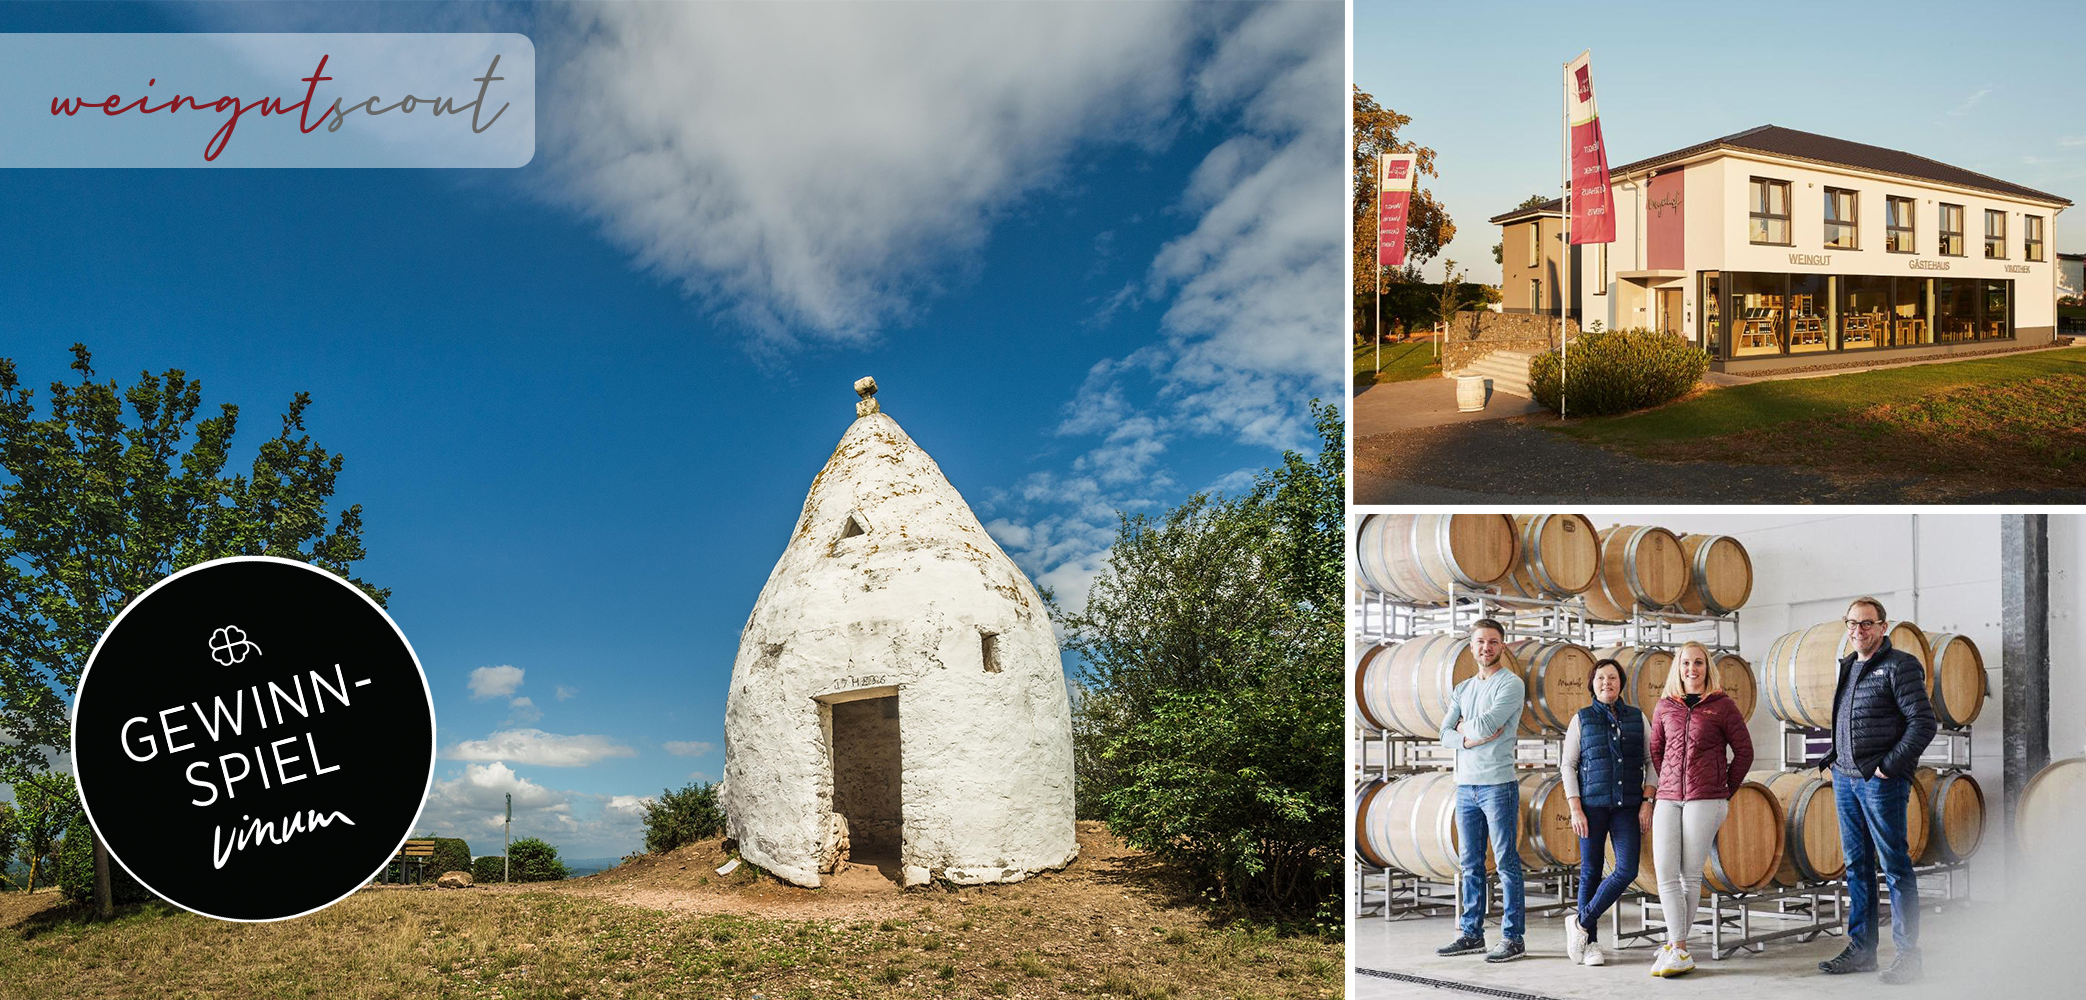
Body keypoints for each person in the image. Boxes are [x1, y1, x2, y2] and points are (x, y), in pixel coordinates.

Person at [1816, 597, 1937, 985]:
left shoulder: (1900, 666)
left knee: (1895, 867)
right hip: (1847, 781)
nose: (1858, 630)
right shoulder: (1849, 665)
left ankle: (1908, 955)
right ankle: (1862, 950)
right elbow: (1847, 719)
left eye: (1867, 624)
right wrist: (1833, 758)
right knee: (1856, 867)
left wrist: (1888, 766)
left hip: (1879, 782)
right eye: (1852, 623)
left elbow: (1923, 723)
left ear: (1883, 627)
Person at [1645, 641, 1752, 978]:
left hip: (1705, 799)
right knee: (1665, 871)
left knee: (1689, 875)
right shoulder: (1665, 706)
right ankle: (1677, 946)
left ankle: (1678, 948)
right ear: (1678, 667)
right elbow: (1656, 751)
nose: (1692, 669)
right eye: (1686, 663)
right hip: (1668, 797)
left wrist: (1723, 791)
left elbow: (1744, 752)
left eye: (1698, 663)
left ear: (1708, 668)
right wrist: (1669, 782)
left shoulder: (1723, 706)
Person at [1433, 618, 1529, 963]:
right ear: (1471, 647)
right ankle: (1471, 933)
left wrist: (1463, 731)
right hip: (1465, 787)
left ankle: (1513, 937)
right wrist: (1467, 737)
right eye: (1479, 642)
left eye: (1492, 642)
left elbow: (1489, 724)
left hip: (1498, 784)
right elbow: (1443, 733)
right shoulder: (1462, 688)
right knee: (1470, 863)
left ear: (1502, 646)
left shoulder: (1511, 684)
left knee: (1505, 863)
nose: (1485, 647)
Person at [1561, 657, 1654, 968]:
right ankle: (1591, 945)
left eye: (1612, 678)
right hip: (1591, 807)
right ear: (1593, 683)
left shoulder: (1637, 718)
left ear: (1621, 683)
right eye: (1601, 678)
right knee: (1591, 871)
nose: (1606, 683)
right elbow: (1568, 765)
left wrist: (1647, 800)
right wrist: (1575, 807)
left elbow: (1652, 761)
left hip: (1627, 807)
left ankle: (1580, 922)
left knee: (1626, 870)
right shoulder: (1582, 718)